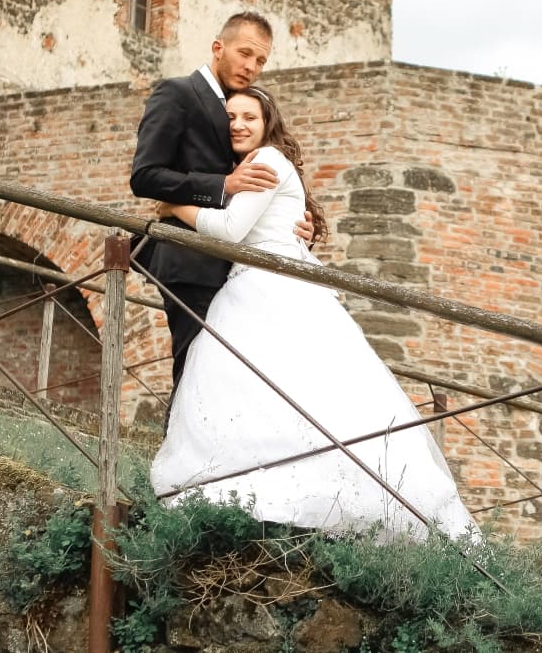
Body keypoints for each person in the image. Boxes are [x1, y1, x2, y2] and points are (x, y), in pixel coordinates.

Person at [149, 86, 478, 541]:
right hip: (263, 280)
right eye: (230, 117)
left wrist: (171, 207)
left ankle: (320, 497)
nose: (238, 125)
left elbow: (229, 230)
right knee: (267, 391)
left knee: (289, 389)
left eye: (249, 116)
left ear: (268, 124)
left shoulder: (266, 160)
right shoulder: (244, 167)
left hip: (268, 285)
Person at [130, 12, 311, 408]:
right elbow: (144, 176)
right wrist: (220, 186)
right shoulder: (176, 93)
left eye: (261, 60)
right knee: (194, 372)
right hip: (189, 259)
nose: (252, 66)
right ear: (218, 47)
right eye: (245, 53)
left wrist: (291, 225)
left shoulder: (230, 107)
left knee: (223, 378)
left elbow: (252, 193)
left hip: (230, 267)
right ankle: (177, 468)